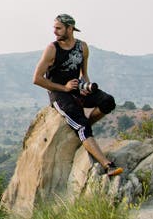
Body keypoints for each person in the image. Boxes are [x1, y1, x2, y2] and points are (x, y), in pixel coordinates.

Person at [32, 13, 123, 176]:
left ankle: (82, 129)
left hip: (77, 88)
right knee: (82, 125)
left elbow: (84, 74)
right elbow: (37, 79)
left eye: (59, 28)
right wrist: (64, 87)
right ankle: (107, 165)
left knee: (108, 101)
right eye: (54, 28)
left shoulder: (82, 47)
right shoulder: (52, 49)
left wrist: (85, 86)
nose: (55, 31)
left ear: (70, 28)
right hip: (59, 93)